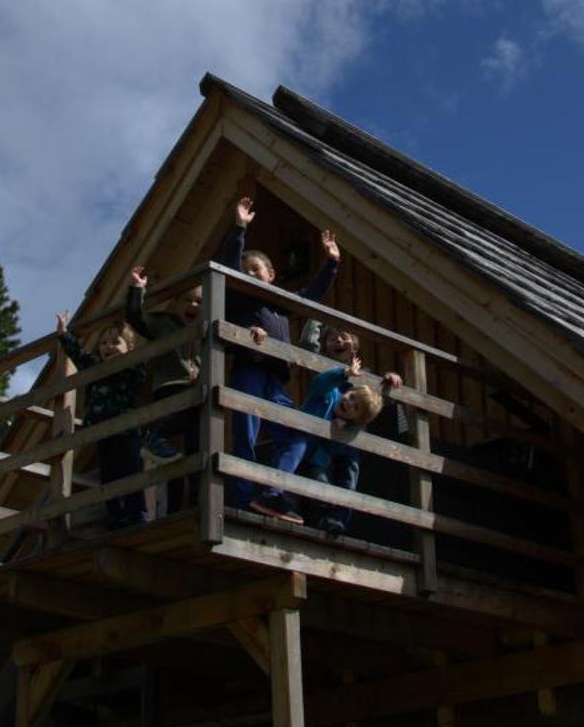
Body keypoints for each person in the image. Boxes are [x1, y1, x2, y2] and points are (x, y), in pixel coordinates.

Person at [220, 194, 340, 519]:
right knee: (246, 435)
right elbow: (229, 268)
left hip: (276, 381)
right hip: (248, 371)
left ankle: (273, 493)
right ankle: (245, 501)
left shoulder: (280, 303)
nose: (250, 274)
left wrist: (331, 262)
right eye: (246, 270)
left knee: (297, 436)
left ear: (272, 274)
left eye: (256, 269)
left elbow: (312, 296)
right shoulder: (240, 297)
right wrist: (239, 229)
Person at [55, 312, 148, 528]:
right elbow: (79, 355)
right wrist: (63, 334)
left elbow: (140, 372)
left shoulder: (131, 368)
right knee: (108, 478)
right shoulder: (96, 367)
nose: (108, 347)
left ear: (129, 348)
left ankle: (137, 515)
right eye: (104, 343)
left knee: (132, 473)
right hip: (103, 434)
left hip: (126, 434)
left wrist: (131, 357)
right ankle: (117, 518)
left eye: (116, 342)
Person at [125, 269, 204, 513]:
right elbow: (135, 317)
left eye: (199, 302)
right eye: (187, 300)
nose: (192, 305)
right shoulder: (162, 323)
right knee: (189, 416)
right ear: (175, 305)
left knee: (196, 445)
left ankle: (195, 500)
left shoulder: (205, 329)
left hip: (195, 388)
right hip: (169, 386)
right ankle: (155, 438)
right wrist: (138, 289)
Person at [301, 357, 402, 535]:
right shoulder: (334, 392)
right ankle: (323, 518)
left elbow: (372, 398)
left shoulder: (360, 375)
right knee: (321, 478)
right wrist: (345, 373)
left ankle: (336, 519)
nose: (349, 402)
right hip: (321, 452)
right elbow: (317, 371)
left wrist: (388, 379)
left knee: (349, 475)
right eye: (351, 398)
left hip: (346, 444)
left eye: (354, 406)